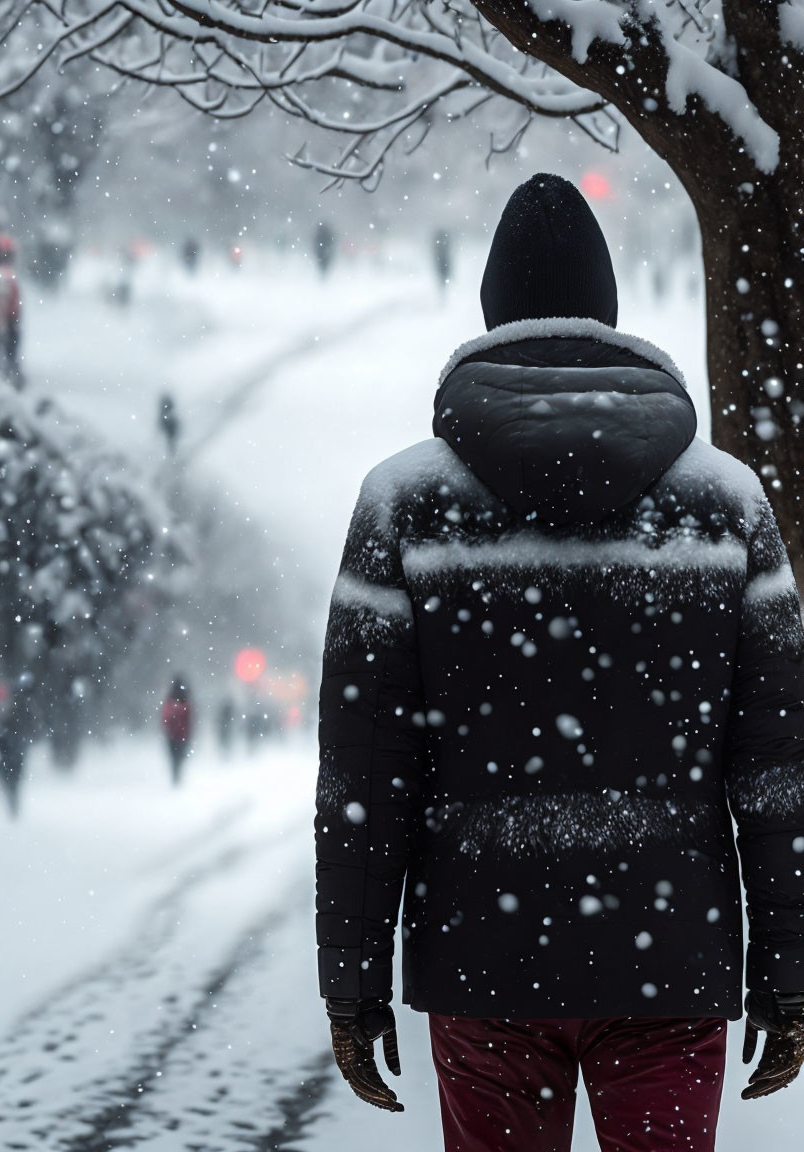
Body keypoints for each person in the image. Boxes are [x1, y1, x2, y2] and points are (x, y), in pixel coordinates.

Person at [315, 173, 804, 1147]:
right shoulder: (724, 503)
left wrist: (352, 983)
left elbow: (365, 777)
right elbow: (777, 768)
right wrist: (786, 975)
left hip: (483, 956)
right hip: (665, 955)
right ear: (608, 313)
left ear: (490, 310)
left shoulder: (402, 504)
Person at [162, 675, 192, 784]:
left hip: (173, 734)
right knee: (179, 756)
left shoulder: (171, 698)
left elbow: (166, 716)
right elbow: (188, 718)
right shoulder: (185, 698)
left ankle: (175, 776)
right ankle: (177, 775)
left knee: (174, 757)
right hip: (181, 734)